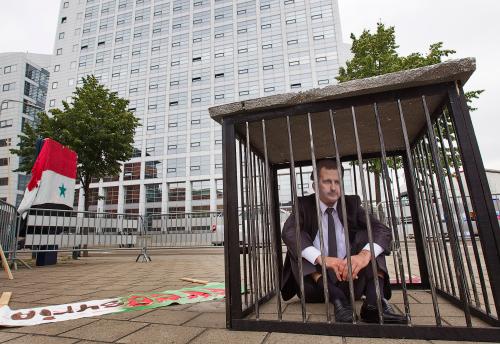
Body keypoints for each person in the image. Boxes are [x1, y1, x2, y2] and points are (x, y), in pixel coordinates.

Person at [281, 159, 406, 324]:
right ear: (315, 186)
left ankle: (374, 303)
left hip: (351, 281)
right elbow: (288, 232)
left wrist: (363, 256)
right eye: (327, 182)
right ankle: (338, 300)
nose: (333, 188)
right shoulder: (303, 205)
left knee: (370, 237)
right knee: (297, 242)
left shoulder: (351, 204)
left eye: (337, 182)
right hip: (315, 285)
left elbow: (382, 230)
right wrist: (322, 259)